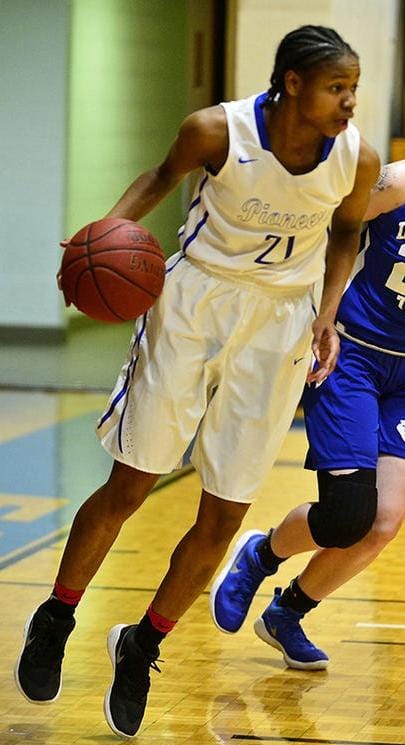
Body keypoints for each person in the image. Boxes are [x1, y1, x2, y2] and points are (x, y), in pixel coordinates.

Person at [15, 25, 379, 739]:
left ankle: (142, 642)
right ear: (292, 83)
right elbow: (158, 177)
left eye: (354, 89)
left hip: (279, 325)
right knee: (131, 484)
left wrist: (327, 313)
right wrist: (100, 233)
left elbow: (344, 233)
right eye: (337, 87)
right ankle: (57, 613)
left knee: (224, 513)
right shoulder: (216, 130)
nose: (348, 102)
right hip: (194, 305)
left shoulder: (357, 158)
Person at [210, 159, 405, 671]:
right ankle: (261, 555)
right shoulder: (398, 183)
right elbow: (331, 229)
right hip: (353, 354)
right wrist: (319, 316)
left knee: (383, 525)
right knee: (347, 514)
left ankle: (287, 613)